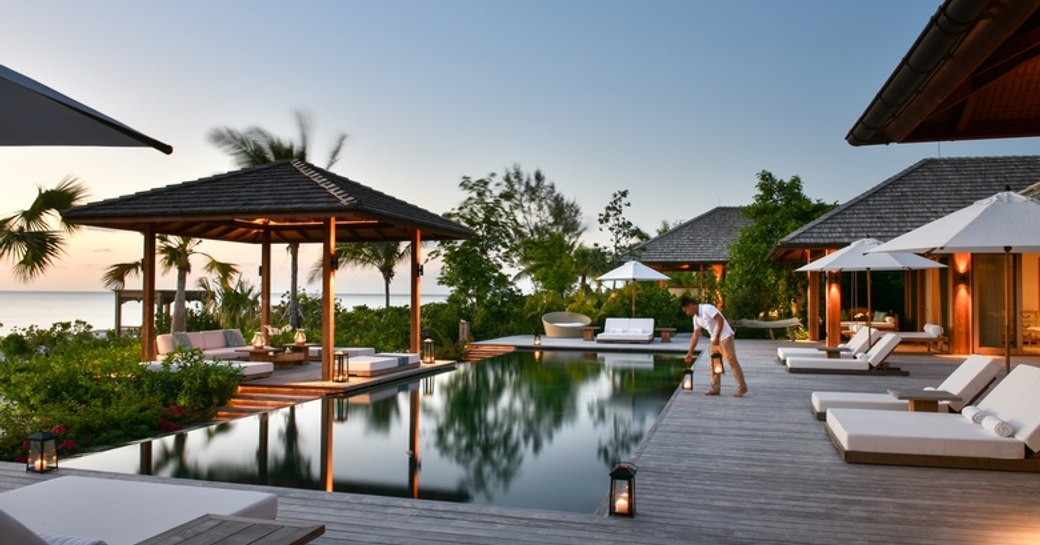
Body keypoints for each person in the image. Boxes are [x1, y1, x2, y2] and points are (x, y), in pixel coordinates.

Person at [681, 296, 748, 397]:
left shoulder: (707, 308)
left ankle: (743, 388)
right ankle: (715, 389)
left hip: (725, 337)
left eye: (686, 310)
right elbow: (695, 335)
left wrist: (717, 336)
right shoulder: (696, 319)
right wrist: (690, 352)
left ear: (690, 305)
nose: (687, 313)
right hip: (714, 340)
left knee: (731, 361)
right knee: (715, 363)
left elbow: (720, 320)